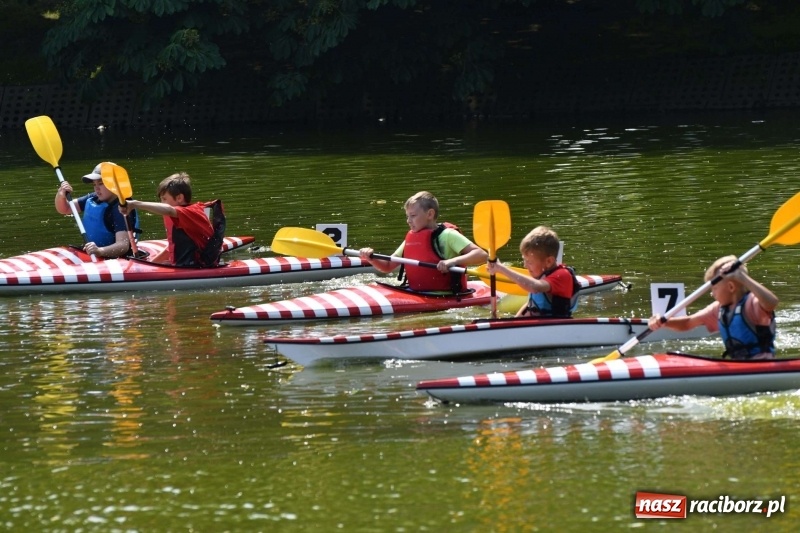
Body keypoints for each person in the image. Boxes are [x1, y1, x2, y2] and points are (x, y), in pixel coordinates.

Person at [649, 255, 779, 360]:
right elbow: (688, 323)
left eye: (715, 288)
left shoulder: (751, 303)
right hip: (737, 366)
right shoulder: (718, 309)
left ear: (731, 287)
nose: (712, 294)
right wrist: (663, 322)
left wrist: (743, 278)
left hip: (762, 363)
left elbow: (771, 303)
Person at [359, 191, 488, 293]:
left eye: (413, 216)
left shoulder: (448, 235)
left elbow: (482, 255)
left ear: (430, 214)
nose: (408, 221)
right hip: (415, 292)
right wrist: (371, 258)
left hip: (445, 295)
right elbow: (387, 266)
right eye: (407, 216)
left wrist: (452, 261)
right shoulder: (411, 238)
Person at [119, 172, 223, 267]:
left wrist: (135, 204)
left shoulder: (190, 212)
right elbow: (171, 249)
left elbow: (169, 210)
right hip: (185, 265)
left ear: (179, 198)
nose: (162, 203)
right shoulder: (180, 215)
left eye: (164, 199)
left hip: (196, 266)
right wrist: (149, 264)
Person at [487, 226, 579, 317]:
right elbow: (529, 306)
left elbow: (535, 287)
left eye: (529, 262)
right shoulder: (541, 276)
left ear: (549, 261)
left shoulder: (562, 275)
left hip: (554, 328)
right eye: (524, 260)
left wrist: (501, 269)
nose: (525, 265)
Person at [54, 161, 140, 258]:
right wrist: (60, 195)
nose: (96, 188)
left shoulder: (121, 209)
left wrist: (100, 251)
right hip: (96, 253)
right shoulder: (94, 198)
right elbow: (65, 209)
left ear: (115, 184)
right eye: (94, 184)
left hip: (118, 259)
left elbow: (123, 246)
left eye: (101, 183)